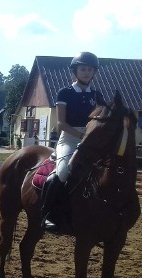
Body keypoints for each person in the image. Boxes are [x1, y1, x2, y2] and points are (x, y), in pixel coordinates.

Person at [41, 52, 107, 229]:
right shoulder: (65, 93)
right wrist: (82, 137)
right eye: (83, 69)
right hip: (69, 139)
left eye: (90, 69)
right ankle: (49, 214)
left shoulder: (97, 95)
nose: (86, 72)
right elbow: (62, 123)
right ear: (75, 71)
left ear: (94, 72)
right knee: (63, 172)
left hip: (91, 140)